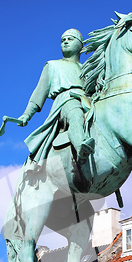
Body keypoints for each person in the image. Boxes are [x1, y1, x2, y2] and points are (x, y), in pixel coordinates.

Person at [18, 28, 95, 165]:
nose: (65, 42)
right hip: (66, 100)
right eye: (62, 40)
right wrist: (26, 115)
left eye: (70, 39)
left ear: (80, 45)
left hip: (88, 101)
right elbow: (39, 93)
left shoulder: (87, 69)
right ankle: (81, 148)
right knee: (75, 114)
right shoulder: (53, 65)